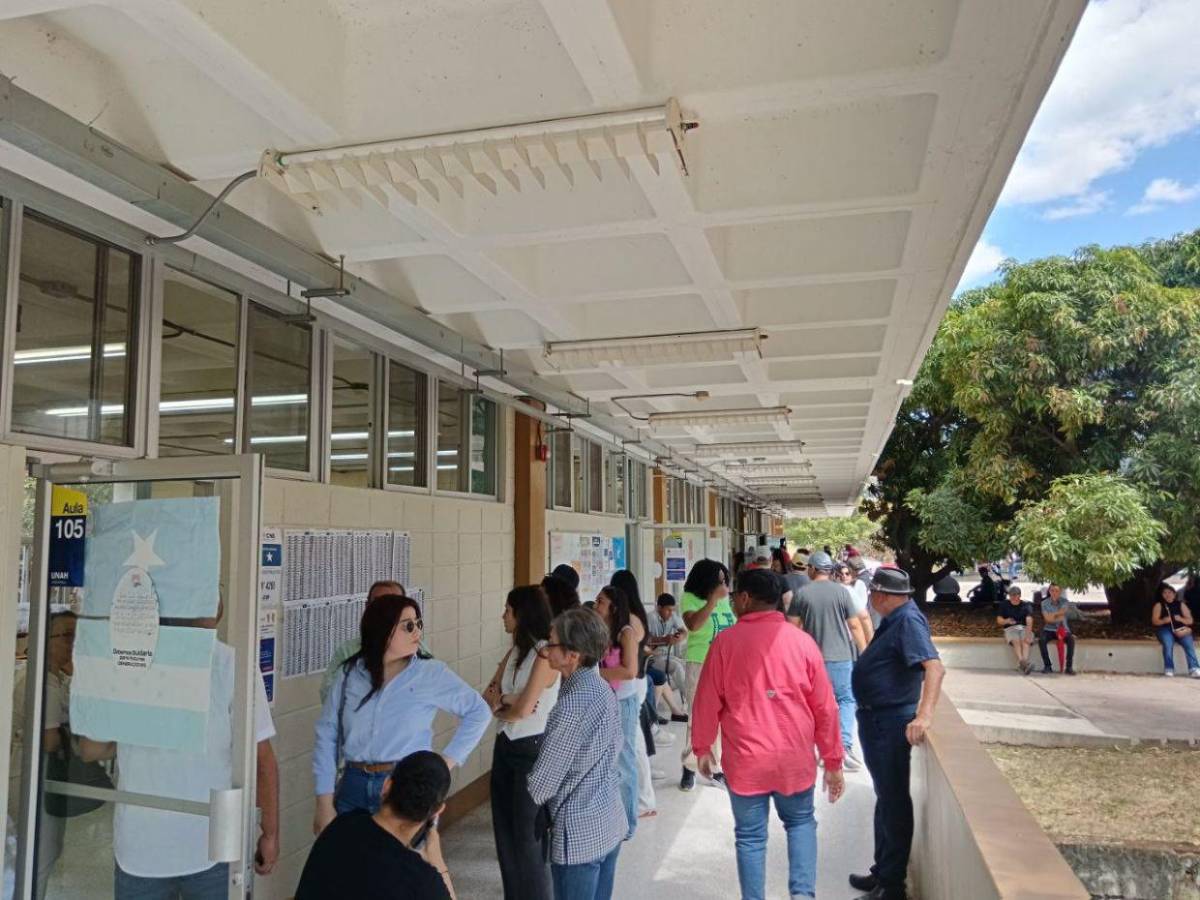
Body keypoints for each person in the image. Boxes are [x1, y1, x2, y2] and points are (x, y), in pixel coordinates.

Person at [78, 602, 280, 897]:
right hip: (204, 844)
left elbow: (91, 748)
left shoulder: (127, 662)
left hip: (151, 847)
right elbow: (262, 760)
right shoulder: (231, 665)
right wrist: (271, 833)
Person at [692, 569, 845, 900]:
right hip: (794, 759)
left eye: (734, 597)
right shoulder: (802, 642)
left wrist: (702, 747)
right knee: (801, 824)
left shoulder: (725, 643)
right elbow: (826, 708)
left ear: (745, 598)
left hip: (746, 761)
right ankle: (802, 895)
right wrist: (833, 760)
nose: (732, 602)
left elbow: (706, 700)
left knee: (749, 837)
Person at [313, 595, 490, 830]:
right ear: (382, 630)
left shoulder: (430, 673)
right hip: (353, 784)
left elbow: (478, 711)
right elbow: (328, 735)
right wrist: (324, 802)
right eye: (408, 626)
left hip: (406, 784)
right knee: (351, 863)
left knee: (400, 863)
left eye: (419, 623)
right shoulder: (349, 674)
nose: (416, 631)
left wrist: (443, 764)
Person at [849, 567, 944, 900]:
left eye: (874, 594)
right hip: (877, 719)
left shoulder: (907, 621)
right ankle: (882, 872)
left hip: (890, 722)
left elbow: (933, 666)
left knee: (894, 803)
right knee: (885, 800)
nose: (871, 600)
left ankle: (892, 886)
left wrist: (925, 715)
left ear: (884, 596)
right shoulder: (895, 618)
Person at [527, 609, 625, 900]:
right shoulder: (602, 689)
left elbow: (542, 784)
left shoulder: (570, 706)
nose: (545, 649)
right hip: (608, 819)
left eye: (552, 643)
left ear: (573, 654)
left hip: (579, 833)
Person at [483, 586, 560, 900]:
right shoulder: (514, 651)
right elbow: (488, 697)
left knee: (528, 839)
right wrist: (507, 701)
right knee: (505, 834)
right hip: (505, 746)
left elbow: (525, 709)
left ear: (521, 613)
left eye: (508, 610)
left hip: (532, 750)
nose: (503, 615)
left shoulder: (545, 653)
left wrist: (507, 703)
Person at [296, 750, 455, 899]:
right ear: (436, 811)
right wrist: (439, 863)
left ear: (386, 785)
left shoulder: (341, 825)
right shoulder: (422, 880)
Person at [787, 551, 868, 771]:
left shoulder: (801, 594)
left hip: (812, 660)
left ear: (812, 569)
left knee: (815, 705)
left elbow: (791, 628)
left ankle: (815, 748)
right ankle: (843, 746)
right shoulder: (842, 592)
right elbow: (854, 625)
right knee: (845, 700)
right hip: (842, 657)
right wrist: (865, 655)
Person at [677, 559, 734, 791]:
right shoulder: (690, 599)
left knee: (721, 719)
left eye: (725, 580)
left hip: (725, 665)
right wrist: (712, 600)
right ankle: (690, 767)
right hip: (700, 664)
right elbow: (694, 625)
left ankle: (715, 768)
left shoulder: (725, 602)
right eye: (719, 580)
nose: (723, 584)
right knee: (697, 718)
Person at [595, 584, 644, 840]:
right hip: (604, 700)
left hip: (623, 702)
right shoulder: (601, 632)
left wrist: (596, 674)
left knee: (624, 761)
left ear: (613, 606)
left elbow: (630, 671)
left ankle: (628, 823)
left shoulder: (626, 633)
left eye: (600, 601)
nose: (596, 605)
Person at [321, 579, 407, 703]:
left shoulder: (417, 649)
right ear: (367, 607)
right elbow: (328, 694)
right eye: (378, 603)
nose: (385, 610)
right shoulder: (348, 651)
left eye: (393, 604)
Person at [645, 594, 688, 721]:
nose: (670, 613)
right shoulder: (650, 618)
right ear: (659, 607)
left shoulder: (673, 616)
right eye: (668, 610)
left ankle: (685, 699)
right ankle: (692, 701)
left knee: (684, 664)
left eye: (672, 610)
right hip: (653, 657)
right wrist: (664, 639)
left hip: (665, 656)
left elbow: (684, 631)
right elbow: (645, 641)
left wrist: (680, 637)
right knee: (677, 667)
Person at [1151, 582, 1199, 677]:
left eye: (1170, 592)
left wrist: (1180, 619)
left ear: (1174, 594)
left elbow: (1190, 621)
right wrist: (1164, 621)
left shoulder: (1180, 604)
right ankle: (1169, 669)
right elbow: (1155, 621)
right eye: (1165, 593)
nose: (1167, 595)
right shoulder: (1159, 605)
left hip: (1180, 629)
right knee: (1168, 643)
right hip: (1165, 629)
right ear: (1162, 595)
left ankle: (1194, 668)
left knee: (1188, 643)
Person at [1037, 584, 1077, 675]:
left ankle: (1069, 667)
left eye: (1056, 591)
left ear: (1060, 592)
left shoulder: (1065, 602)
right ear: (1049, 591)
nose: (1054, 593)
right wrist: (1057, 615)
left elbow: (1062, 615)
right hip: (1049, 629)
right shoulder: (1044, 603)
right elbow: (1047, 619)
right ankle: (1047, 666)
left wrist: (1052, 615)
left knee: (1071, 639)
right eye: (1052, 590)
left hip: (1063, 629)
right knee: (1041, 640)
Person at [996, 586, 1034, 674]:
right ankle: (1024, 663)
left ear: (1019, 596)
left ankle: (1023, 664)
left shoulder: (1026, 605)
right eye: (1011, 595)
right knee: (1016, 641)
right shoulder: (1004, 605)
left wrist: (1028, 635)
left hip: (1024, 627)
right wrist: (1007, 621)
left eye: (1015, 595)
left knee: (1025, 641)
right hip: (1010, 628)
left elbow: (1029, 620)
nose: (1013, 597)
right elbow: (999, 620)